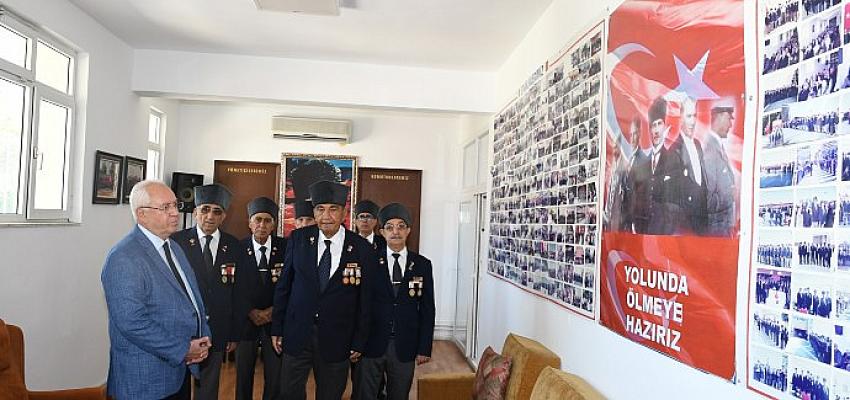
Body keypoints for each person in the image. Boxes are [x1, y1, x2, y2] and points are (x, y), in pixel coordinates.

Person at [101, 180, 211, 399]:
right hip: (145, 380)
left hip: (179, 371)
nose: (175, 213)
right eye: (165, 207)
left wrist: (202, 336)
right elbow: (132, 322)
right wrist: (183, 349)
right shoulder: (123, 258)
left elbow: (191, 298)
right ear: (142, 214)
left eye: (175, 205)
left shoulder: (173, 247)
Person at [271, 180, 376, 400]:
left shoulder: (361, 248)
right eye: (320, 209)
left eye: (333, 209)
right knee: (288, 393)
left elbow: (366, 300)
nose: (326, 216)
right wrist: (277, 328)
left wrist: (360, 339)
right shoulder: (298, 239)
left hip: (338, 338)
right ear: (314, 212)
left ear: (344, 213)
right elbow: (284, 287)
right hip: (297, 333)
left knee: (330, 394)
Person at [355, 203, 435, 400]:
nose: (396, 232)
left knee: (399, 395)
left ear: (408, 230)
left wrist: (424, 347)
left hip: (405, 344)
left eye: (401, 226)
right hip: (371, 342)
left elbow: (427, 309)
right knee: (366, 394)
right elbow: (358, 304)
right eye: (390, 227)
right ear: (382, 232)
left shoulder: (422, 265)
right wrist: (356, 341)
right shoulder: (369, 261)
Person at [171, 183, 241, 400]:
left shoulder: (234, 246)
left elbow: (237, 294)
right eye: (205, 209)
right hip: (183, 330)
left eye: (217, 211)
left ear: (224, 216)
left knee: (209, 388)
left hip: (217, 329)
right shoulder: (176, 242)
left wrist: (233, 333)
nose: (210, 216)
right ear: (195, 212)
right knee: (179, 387)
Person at [234, 197, 286, 400]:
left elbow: (290, 284)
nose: (262, 225)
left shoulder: (285, 248)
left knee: (275, 377)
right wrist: (250, 311)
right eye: (257, 219)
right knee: (243, 375)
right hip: (246, 322)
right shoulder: (238, 248)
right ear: (250, 222)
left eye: (267, 220)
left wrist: (273, 311)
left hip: (275, 323)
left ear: (274, 224)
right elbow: (234, 287)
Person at [645, 97, 684, 235]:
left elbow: (675, 205)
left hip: (664, 233)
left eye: (659, 124)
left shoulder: (673, 159)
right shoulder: (645, 163)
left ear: (665, 126)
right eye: (653, 125)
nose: (656, 130)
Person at [673, 97, 708, 234]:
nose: (692, 121)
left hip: (703, 220)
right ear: (681, 118)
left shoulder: (698, 145)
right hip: (686, 225)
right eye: (688, 116)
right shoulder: (674, 150)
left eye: (694, 116)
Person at [702, 104, 738, 236]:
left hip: (723, 230)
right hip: (717, 233)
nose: (731, 125)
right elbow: (707, 201)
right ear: (720, 117)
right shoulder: (710, 150)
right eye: (729, 119)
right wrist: (729, 196)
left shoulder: (716, 146)